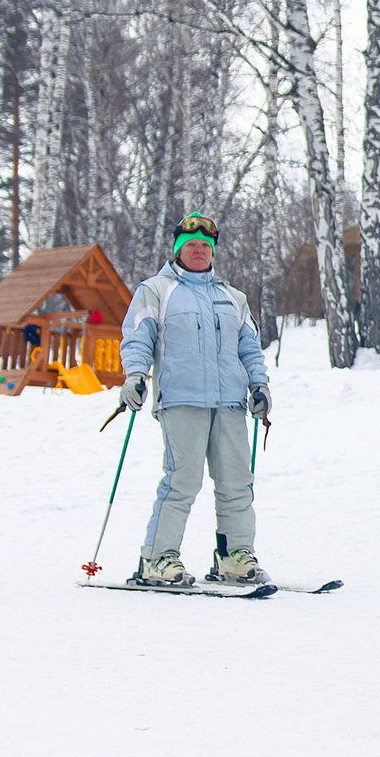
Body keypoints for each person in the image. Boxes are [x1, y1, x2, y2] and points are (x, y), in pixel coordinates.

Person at [119, 212, 274, 586]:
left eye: (206, 246)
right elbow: (139, 336)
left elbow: (249, 347)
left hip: (229, 403)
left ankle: (234, 556)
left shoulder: (232, 297)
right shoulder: (156, 290)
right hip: (182, 400)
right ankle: (157, 558)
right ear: (178, 251)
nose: (199, 251)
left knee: (237, 481)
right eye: (191, 245)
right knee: (182, 481)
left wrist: (259, 385)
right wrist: (135, 375)